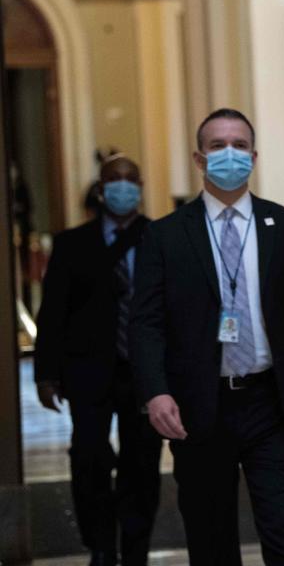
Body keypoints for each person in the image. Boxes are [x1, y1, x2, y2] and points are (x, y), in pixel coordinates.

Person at [129, 108, 284, 565]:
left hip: (273, 403)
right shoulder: (165, 235)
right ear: (198, 158)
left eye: (239, 145)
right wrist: (155, 392)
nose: (229, 154)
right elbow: (146, 323)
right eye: (217, 146)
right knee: (211, 542)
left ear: (254, 155)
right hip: (200, 407)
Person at [33, 155, 161, 566]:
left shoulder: (160, 237)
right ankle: (101, 545)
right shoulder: (73, 243)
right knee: (87, 457)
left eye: (130, 180)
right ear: (101, 189)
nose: (123, 187)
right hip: (88, 370)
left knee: (141, 464)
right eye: (114, 180)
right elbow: (52, 312)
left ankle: (136, 546)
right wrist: (46, 373)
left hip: (144, 371)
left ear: (141, 186)